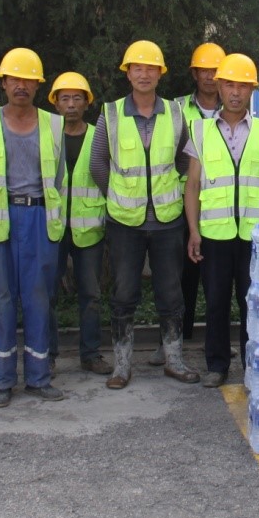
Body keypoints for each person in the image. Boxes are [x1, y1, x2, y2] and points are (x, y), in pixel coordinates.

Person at [90, 40, 200, 389]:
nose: (143, 74)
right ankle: (122, 366)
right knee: (124, 295)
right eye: (137, 68)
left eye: (150, 68)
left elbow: (184, 160)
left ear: (160, 74)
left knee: (171, 294)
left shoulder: (176, 113)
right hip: (125, 223)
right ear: (127, 73)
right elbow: (98, 164)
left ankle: (174, 360)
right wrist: (120, 196)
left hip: (168, 221)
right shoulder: (110, 114)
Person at [0, 48, 67, 407]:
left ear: (38, 85)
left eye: (28, 79)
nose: (21, 85)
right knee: (1, 299)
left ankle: (39, 378)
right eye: (14, 79)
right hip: (0, 219)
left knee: (38, 297)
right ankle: (2, 380)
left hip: (39, 218)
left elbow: (58, 176)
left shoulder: (53, 124)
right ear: (4, 83)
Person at [184, 53, 259, 387]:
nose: (235, 92)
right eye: (229, 85)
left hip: (257, 234)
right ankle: (217, 365)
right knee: (216, 302)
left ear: (252, 89)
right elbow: (192, 184)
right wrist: (193, 230)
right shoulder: (201, 130)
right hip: (215, 233)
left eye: (243, 86)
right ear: (219, 86)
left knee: (253, 303)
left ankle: (253, 365)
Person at [47, 71, 112, 376]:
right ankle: (48, 355)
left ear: (87, 103)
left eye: (77, 98)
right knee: (47, 294)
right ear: (56, 103)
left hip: (89, 229)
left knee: (91, 295)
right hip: (53, 229)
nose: (71, 104)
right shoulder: (47, 137)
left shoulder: (99, 136)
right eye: (65, 99)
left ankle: (91, 354)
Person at [167, 42, 225, 353]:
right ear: (194, 73)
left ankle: (216, 341)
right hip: (181, 201)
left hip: (219, 203)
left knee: (215, 277)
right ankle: (178, 341)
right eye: (204, 70)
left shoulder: (234, 108)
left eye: (216, 70)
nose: (210, 76)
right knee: (179, 277)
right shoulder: (176, 109)